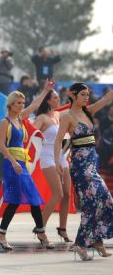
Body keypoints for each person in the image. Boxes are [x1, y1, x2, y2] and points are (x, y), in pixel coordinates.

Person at [0, 79, 55, 251]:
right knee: (19, 200)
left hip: (22, 164)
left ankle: (3, 233)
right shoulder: (5, 122)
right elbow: (1, 145)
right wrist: (13, 163)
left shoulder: (20, 119)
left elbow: (35, 105)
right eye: (18, 103)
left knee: (28, 199)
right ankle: (37, 233)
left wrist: (45, 90)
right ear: (11, 104)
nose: (21, 106)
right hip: (12, 165)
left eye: (22, 103)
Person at [54, 83, 113, 261]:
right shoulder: (67, 117)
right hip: (80, 167)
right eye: (83, 94)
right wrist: (58, 161)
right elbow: (58, 142)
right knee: (93, 201)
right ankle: (83, 242)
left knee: (105, 200)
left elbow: (107, 99)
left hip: (91, 164)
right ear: (72, 95)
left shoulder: (88, 111)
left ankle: (93, 240)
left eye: (88, 94)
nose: (86, 97)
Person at [34, 89, 72, 242]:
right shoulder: (41, 118)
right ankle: (40, 227)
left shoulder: (58, 115)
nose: (58, 100)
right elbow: (31, 133)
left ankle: (62, 229)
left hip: (61, 155)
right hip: (47, 157)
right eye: (55, 98)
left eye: (58, 98)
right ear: (48, 101)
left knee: (67, 194)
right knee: (58, 194)